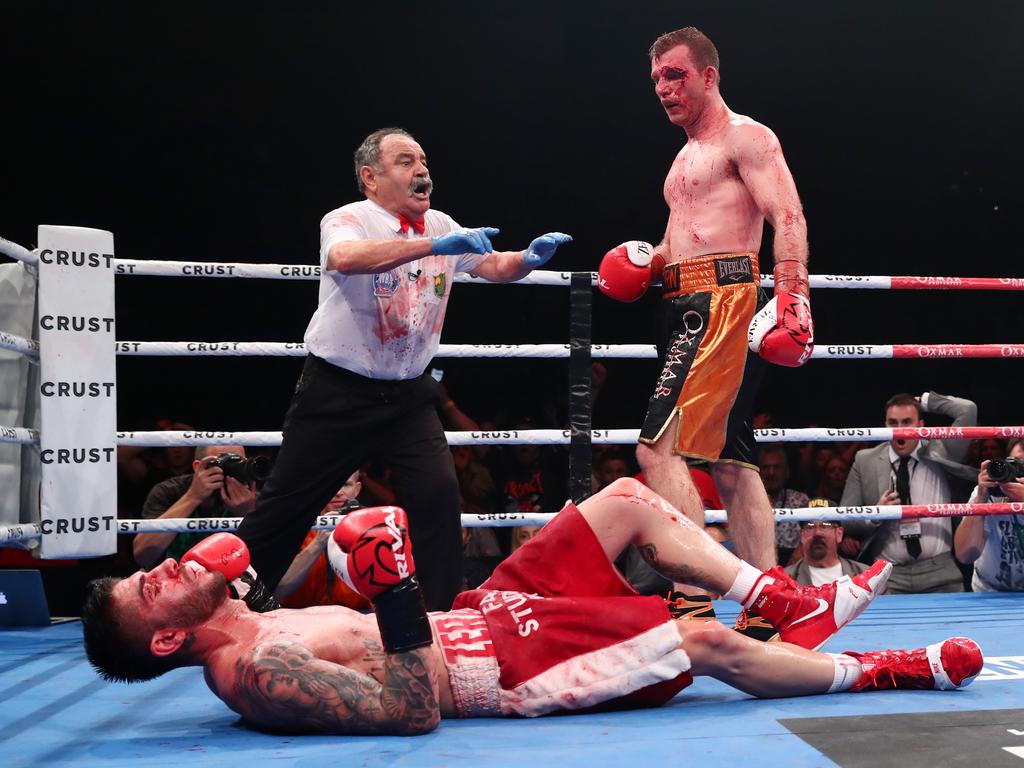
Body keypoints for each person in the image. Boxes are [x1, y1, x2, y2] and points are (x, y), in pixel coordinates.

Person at [81, 478, 983, 736]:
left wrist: (371, 577)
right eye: (149, 587)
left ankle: (787, 601)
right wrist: (393, 589)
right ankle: (868, 668)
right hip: (496, 670)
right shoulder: (257, 674)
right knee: (698, 641)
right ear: (166, 636)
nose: (161, 568)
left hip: (482, 608)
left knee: (627, 498)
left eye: (149, 568)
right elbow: (407, 709)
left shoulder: (252, 608)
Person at [234, 128, 572, 611]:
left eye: (424, 160)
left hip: (409, 395)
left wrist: (527, 259)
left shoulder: (439, 223)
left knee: (437, 500)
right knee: (286, 508)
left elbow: (493, 266)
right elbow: (344, 258)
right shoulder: (351, 218)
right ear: (370, 177)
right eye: (406, 161)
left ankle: (441, 620)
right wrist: (435, 248)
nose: (422, 170)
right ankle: (222, 603)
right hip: (338, 392)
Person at [598, 27, 812, 604]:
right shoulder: (686, 155)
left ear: (709, 76)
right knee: (731, 460)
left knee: (656, 452)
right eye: (657, 80)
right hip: (683, 301)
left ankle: (689, 597)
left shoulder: (746, 137)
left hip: (718, 304)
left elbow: (787, 216)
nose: (664, 89)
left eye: (676, 75)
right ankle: (776, 604)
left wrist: (793, 293)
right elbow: (686, 239)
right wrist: (645, 262)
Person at [841, 392, 978, 594]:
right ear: (885, 426)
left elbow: (968, 409)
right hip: (888, 574)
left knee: (952, 626)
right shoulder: (865, 460)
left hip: (940, 572)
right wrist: (875, 514)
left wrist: (924, 401)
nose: (900, 430)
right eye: (893, 423)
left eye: (907, 422)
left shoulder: (941, 450)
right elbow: (845, 517)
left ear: (921, 425)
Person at [133, 444, 258, 569]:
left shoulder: (252, 498)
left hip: (230, 580)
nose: (231, 469)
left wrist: (247, 515)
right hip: (173, 581)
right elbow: (143, 556)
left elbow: (267, 562)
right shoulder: (169, 491)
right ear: (198, 467)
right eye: (224, 463)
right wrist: (192, 497)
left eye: (238, 463)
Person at [274, 470, 370, 611]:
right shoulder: (291, 526)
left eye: (345, 484)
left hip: (357, 619)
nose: (338, 492)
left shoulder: (374, 526)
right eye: (331, 483)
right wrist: (318, 542)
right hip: (297, 620)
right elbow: (277, 591)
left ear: (357, 489)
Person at [955, 438, 1024, 591]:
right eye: (1017, 465)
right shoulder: (989, 493)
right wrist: (980, 501)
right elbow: (965, 555)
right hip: (988, 592)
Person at [785, 510, 871, 587]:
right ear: (802, 535)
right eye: (810, 526)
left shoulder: (867, 575)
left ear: (839, 534)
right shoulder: (784, 580)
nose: (817, 533)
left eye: (826, 525)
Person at [758, 445, 810, 565]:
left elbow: (813, 532)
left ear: (787, 472)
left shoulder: (800, 500)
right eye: (766, 467)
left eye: (777, 467)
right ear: (758, 472)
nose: (771, 473)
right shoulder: (745, 500)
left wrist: (802, 549)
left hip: (795, 563)